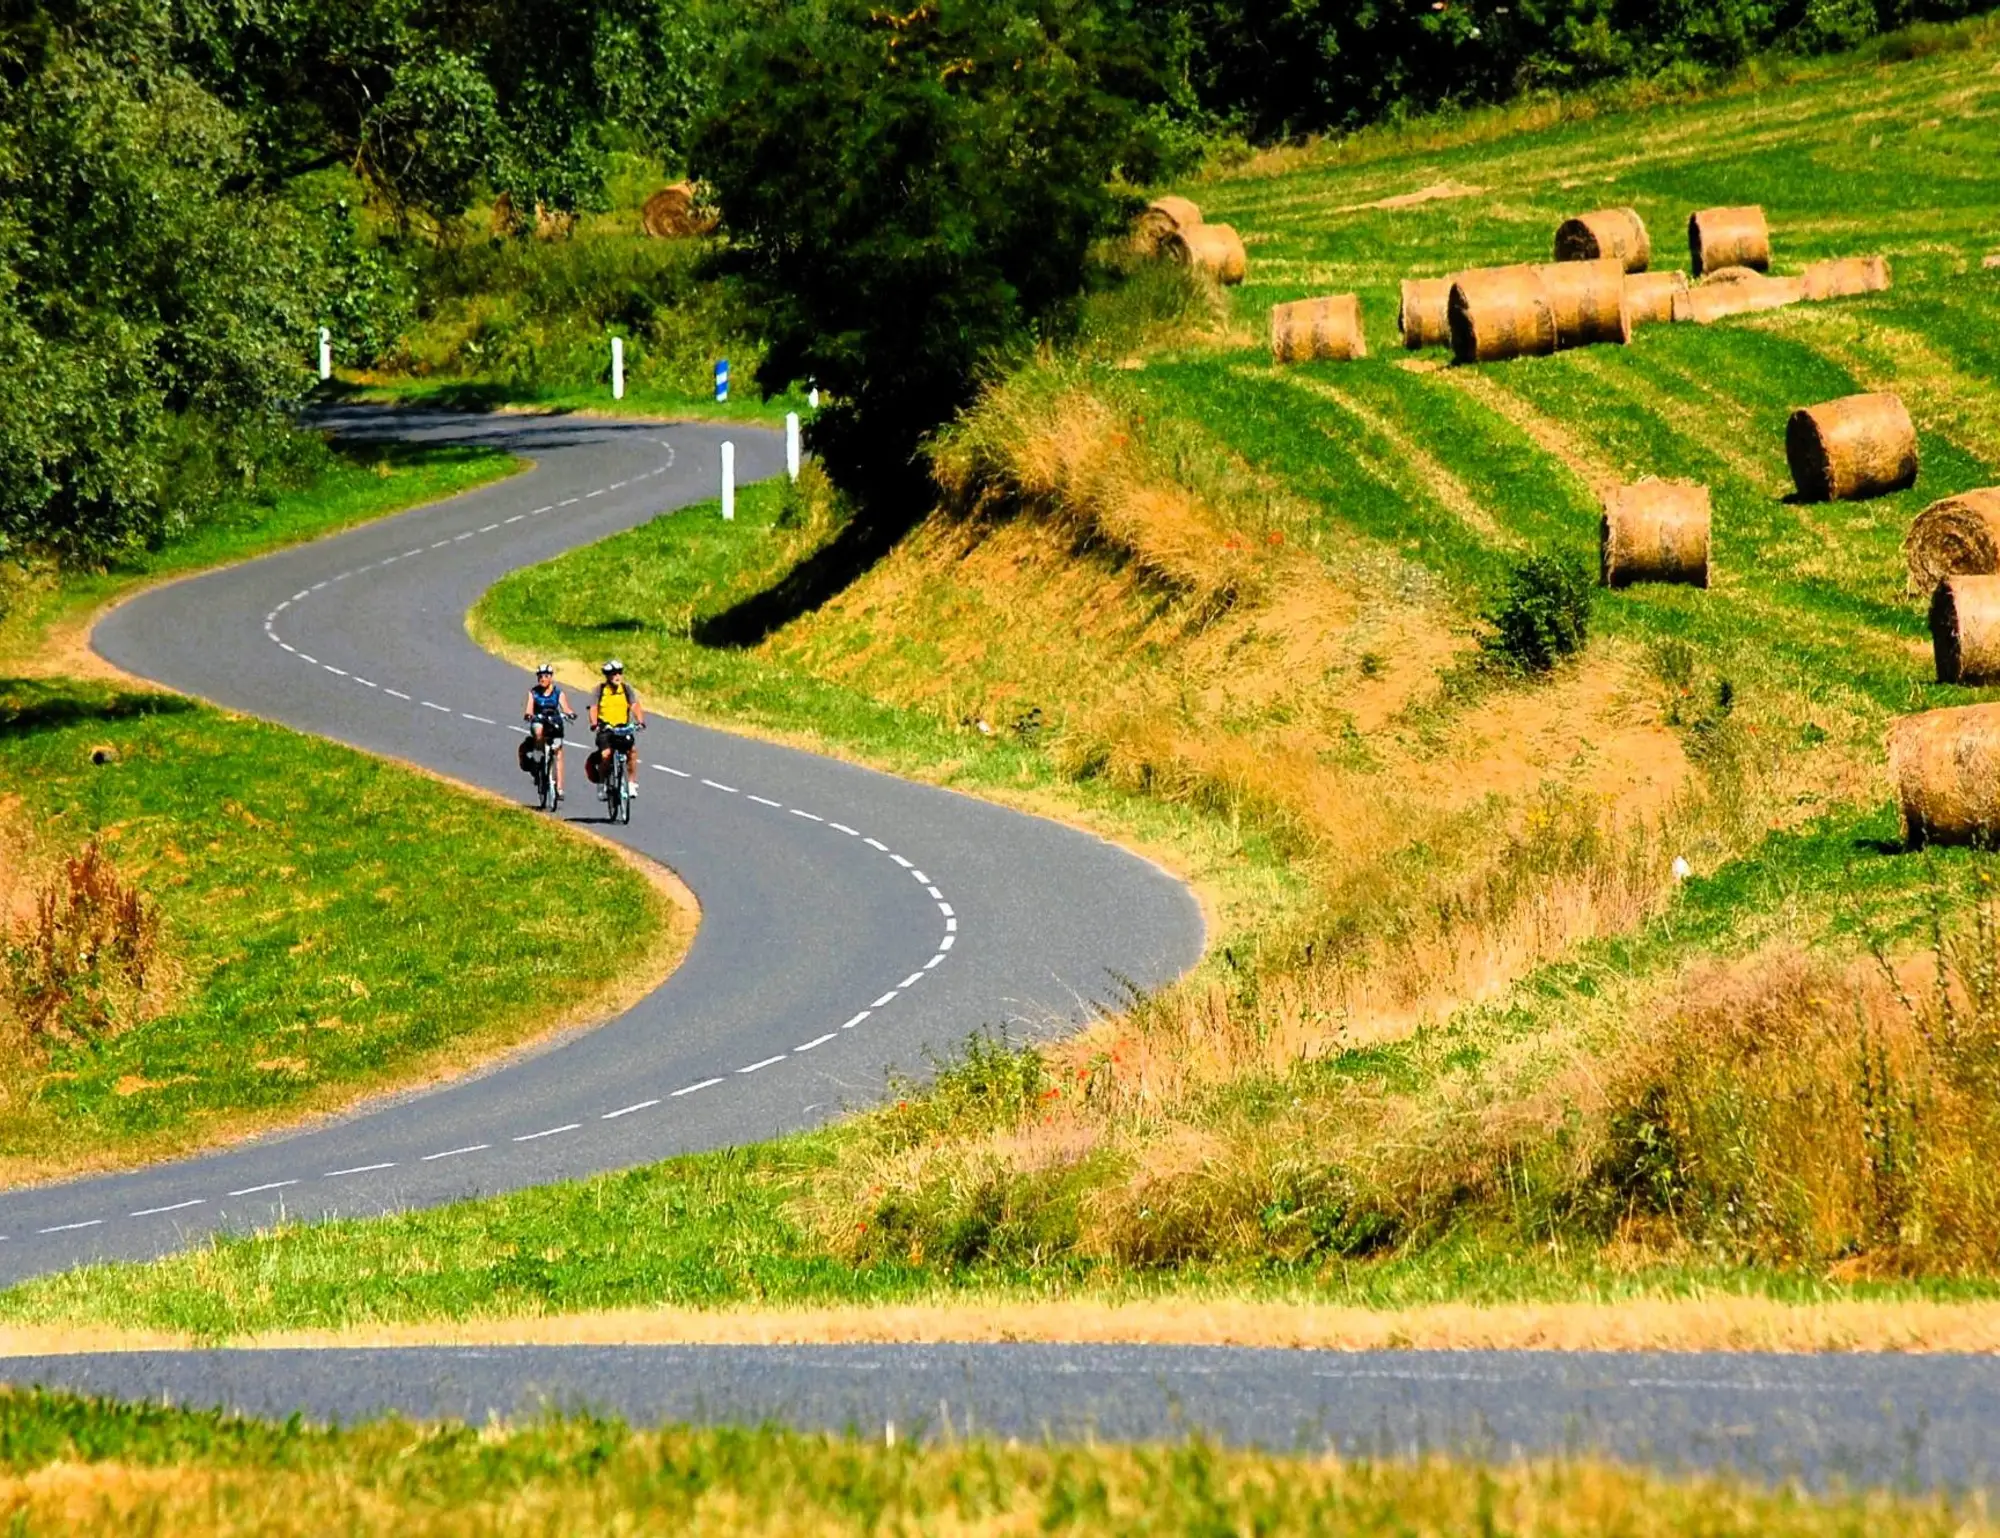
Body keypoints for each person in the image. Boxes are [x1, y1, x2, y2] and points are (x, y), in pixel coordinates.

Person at [589, 658, 645, 797]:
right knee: (606, 754)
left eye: (619, 673)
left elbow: (634, 706)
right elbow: (593, 708)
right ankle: (602, 785)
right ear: (607, 676)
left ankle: (631, 783)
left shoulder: (626, 689)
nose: (617, 676)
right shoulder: (600, 690)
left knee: (632, 751)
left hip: (622, 728)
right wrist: (594, 724)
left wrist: (640, 721)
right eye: (613, 674)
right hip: (605, 729)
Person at [521, 663, 575, 803]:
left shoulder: (558, 692)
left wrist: (569, 714)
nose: (542, 679)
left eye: (546, 676)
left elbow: (566, 707)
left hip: (554, 722)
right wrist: (529, 715)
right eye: (540, 676)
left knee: (558, 752)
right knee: (538, 732)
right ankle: (539, 756)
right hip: (539, 720)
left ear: (551, 677)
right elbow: (529, 708)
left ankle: (560, 788)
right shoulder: (533, 692)